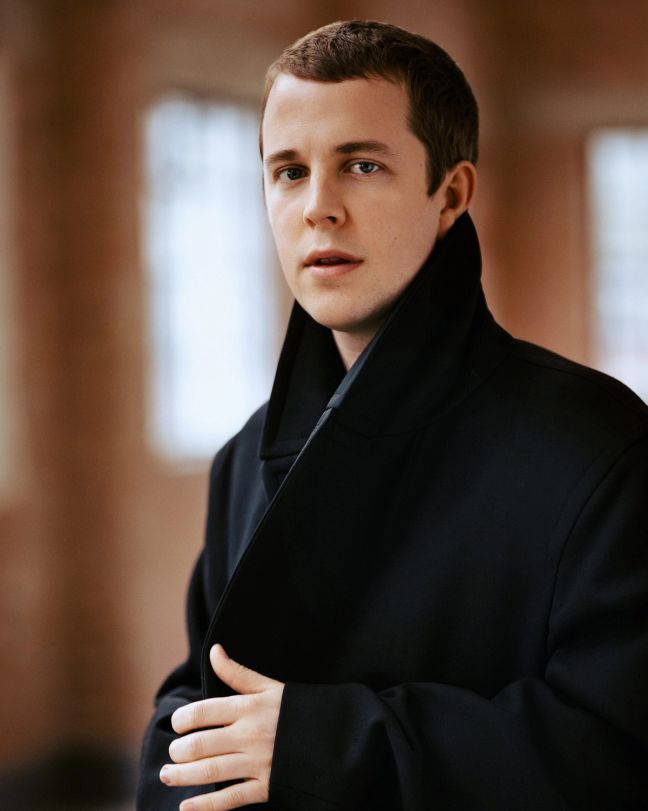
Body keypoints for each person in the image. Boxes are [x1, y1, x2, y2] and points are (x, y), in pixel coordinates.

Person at [137, 20, 648, 811]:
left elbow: (615, 749)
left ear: (452, 194)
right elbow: (197, 709)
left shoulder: (597, 442)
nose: (319, 208)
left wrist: (323, 747)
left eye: (362, 165)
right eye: (289, 171)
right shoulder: (244, 456)